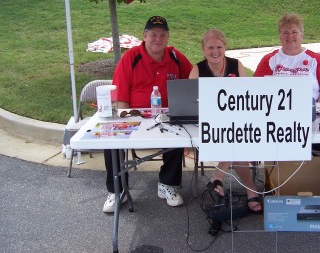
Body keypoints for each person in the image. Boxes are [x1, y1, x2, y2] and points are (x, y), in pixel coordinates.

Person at [103, 15, 193, 212]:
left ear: (168, 37)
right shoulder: (130, 58)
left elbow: (193, 79)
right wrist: (127, 122)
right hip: (134, 117)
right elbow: (121, 99)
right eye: (153, 34)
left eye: (162, 35)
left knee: (179, 134)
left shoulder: (176, 57)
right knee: (110, 139)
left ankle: (168, 184)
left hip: (168, 117)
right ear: (144, 36)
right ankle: (118, 190)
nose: (158, 39)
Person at [189, 29, 263, 213]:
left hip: (237, 120)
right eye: (210, 47)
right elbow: (190, 101)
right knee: (234, 138)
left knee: (235, 135)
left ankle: (218, 177)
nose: (215, 51)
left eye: (219, 47)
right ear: (203, 49)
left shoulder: (236, 65)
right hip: (208, 123)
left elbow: (248, 97)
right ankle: (250, 190)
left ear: (225, 47)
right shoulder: (197, 69)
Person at [254, 12, 320, 155]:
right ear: (279, 35)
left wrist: (315, 111)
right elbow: (256, 89)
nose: (290, 36)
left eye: (294, 32)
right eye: (285, 32)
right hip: (277, 120)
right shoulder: (270, 59)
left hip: (311, 118)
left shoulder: (314, 59)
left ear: (301, 34)